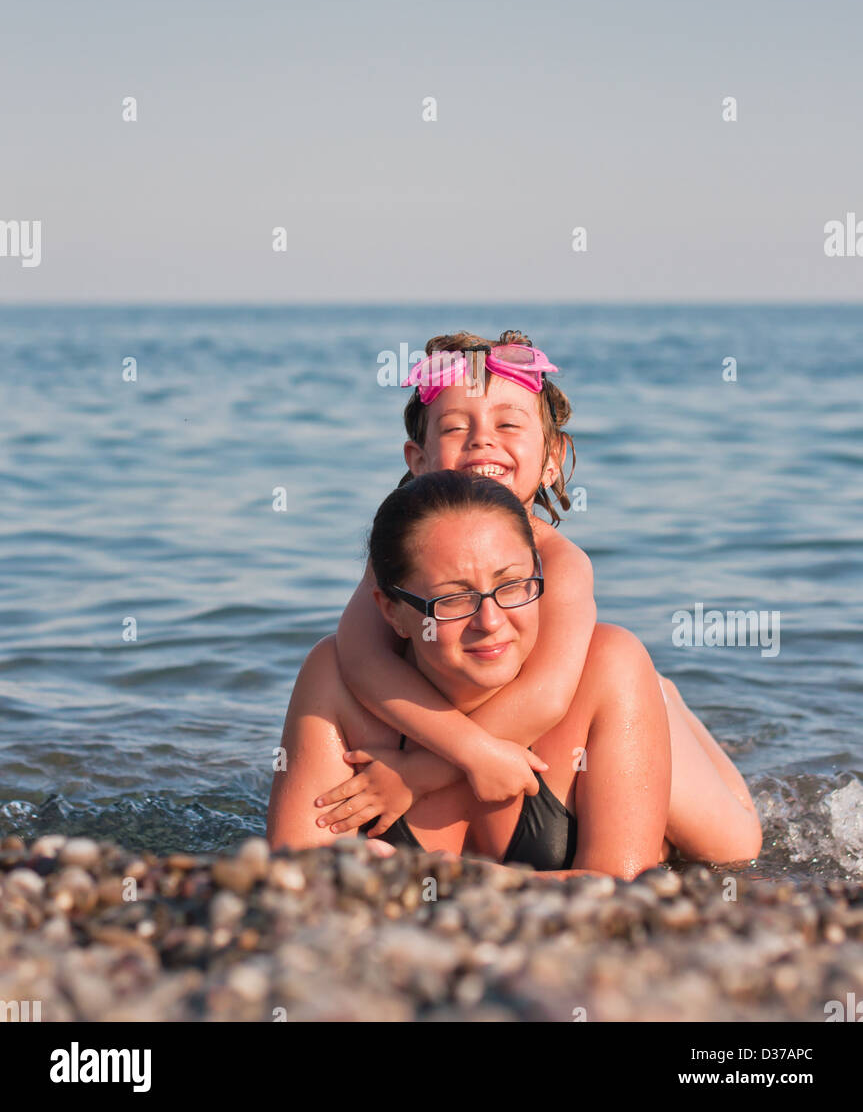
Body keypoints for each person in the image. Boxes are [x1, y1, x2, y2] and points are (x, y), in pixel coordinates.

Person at [315, 330, 762, 863]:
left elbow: (548, 698)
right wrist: (470, 751)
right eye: (457, 427)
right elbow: (361, 659)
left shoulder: (564, 563)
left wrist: (418, 774)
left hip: (573, 702)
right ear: (418, 460)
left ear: (552, 458)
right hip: (499, 736)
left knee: (732, 848)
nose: (483, 441)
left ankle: (664, 704)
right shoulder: (401, 560)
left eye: (508, 424)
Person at [267, 470, 761, 876]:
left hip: (622, 709)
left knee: (732, 847)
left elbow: (620, 888)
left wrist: (441, 881)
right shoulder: (336, 676)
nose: (491, 621)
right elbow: (292, 877)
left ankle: (661, 702)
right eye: (453, 599)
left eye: (514, 585)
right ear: (392, 611)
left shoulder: (606, 668)